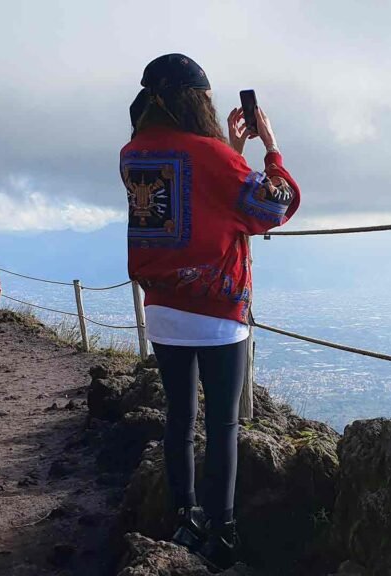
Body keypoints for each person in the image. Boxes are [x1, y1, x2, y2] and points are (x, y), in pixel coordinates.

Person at [122, 53, 300, 567]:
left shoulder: (132, 153)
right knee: (222, 426)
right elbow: (271, 206)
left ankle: (184, 518)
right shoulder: (213, 156)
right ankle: (221, 530)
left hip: (161, 310)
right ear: (194, 99)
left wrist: (231, 149)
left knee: (179, 418)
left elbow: (194, 196)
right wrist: (270, 147)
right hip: (219, 315)